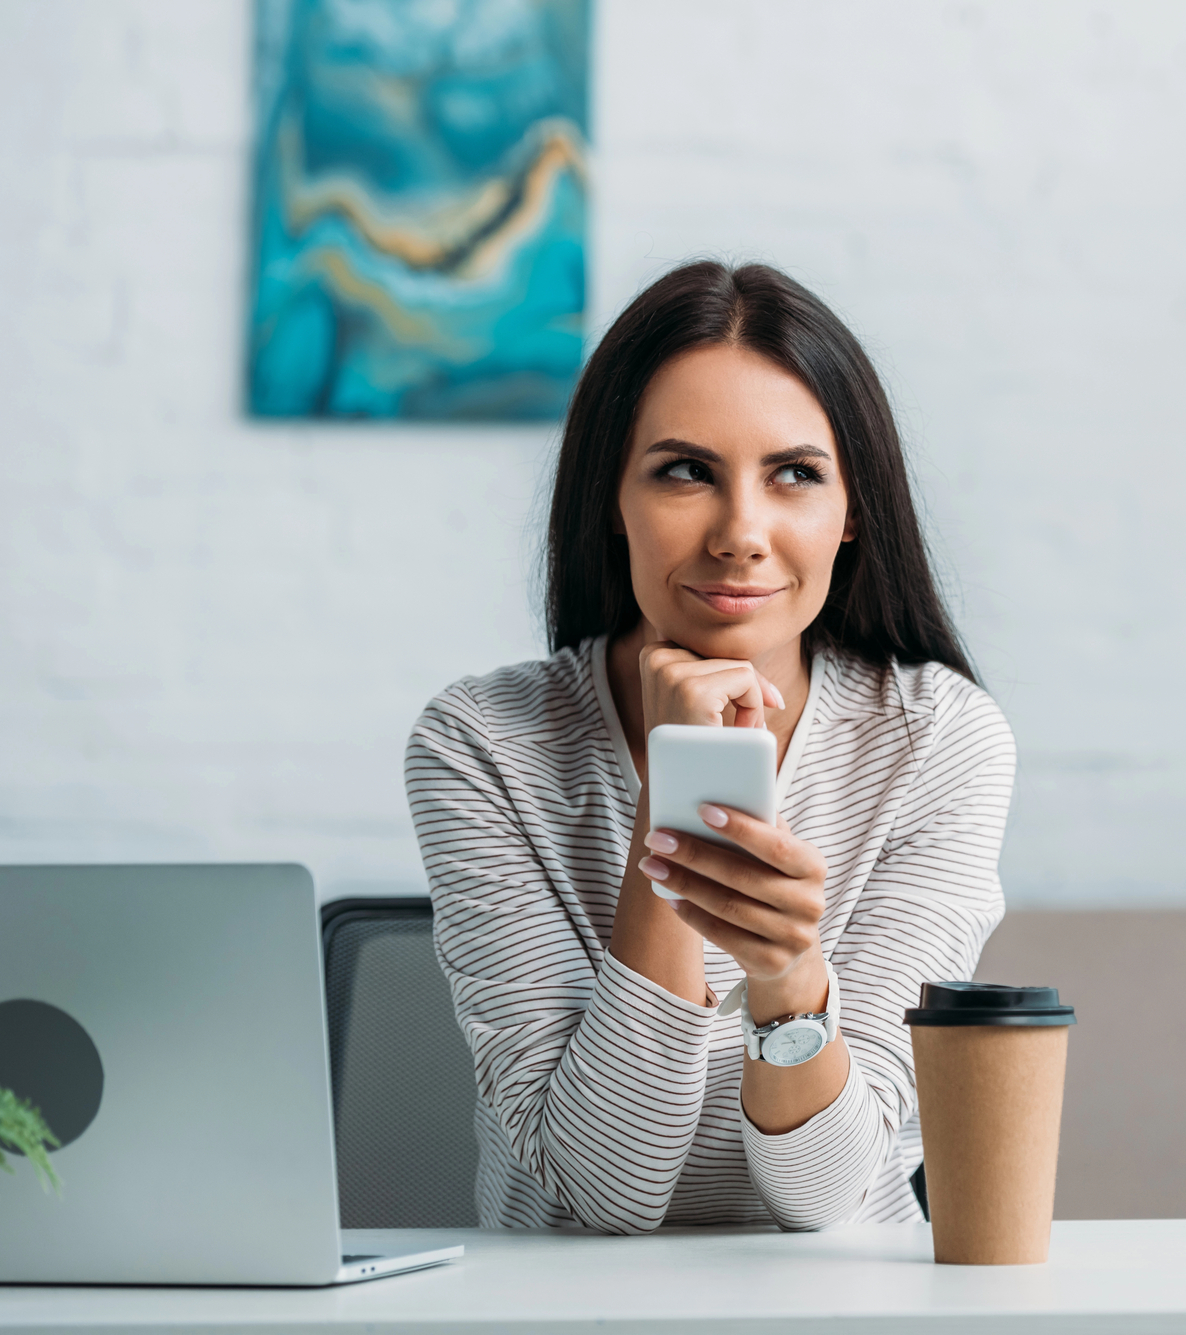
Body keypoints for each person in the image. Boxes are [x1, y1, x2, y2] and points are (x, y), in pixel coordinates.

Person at [404, 261, 1014, 1233]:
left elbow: (826, 1200)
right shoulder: (482, 744)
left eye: (794, 475)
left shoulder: (934, 740)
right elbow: (603, 1195)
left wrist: (787, 983)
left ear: (851, 511)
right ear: (612, 496)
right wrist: (673, 797)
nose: (741, 533)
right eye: (685, 471)